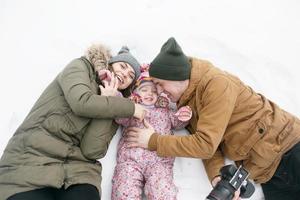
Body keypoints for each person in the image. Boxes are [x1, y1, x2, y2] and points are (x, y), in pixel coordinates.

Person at [125, 37, 300, 200]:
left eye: (160, 84)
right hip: (267, 172)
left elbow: (205, 145)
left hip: (289, 147)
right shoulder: (188, 104)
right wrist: (217, 175)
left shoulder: (216, 84)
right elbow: (211, 147)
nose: (160, 91)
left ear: (176, 76)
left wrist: (154, 141)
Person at [0, 44, 146, 200]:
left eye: (131, 75)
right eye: (122, 66)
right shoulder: (81, 66)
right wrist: (131, 107)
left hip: (79, 171)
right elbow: (81, 102)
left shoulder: (117, 105)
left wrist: (109, 101)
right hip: (34, 157)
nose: (124, 74)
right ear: (110, 62)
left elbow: (91, 150)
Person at [111, 65, 192, 200]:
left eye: (154, 91)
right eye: (144, 90)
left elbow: (177, 123)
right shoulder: (132, 109)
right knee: (124, 189)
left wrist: (182, 116)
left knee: (163, 191)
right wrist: (121, 100)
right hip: (131, 161)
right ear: (134, 93)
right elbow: (120, 116)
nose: (150, 93)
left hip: (159, 162)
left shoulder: (165, 111)